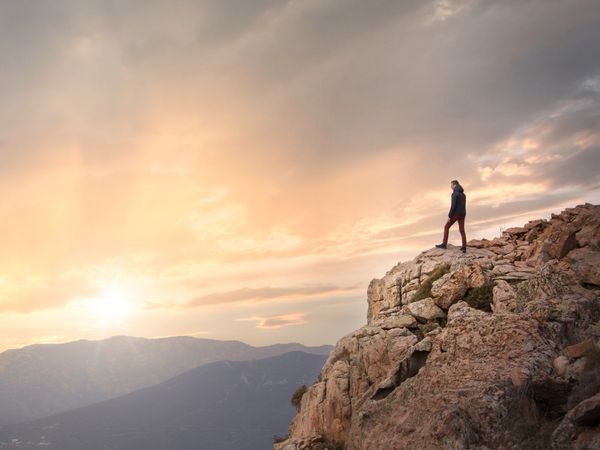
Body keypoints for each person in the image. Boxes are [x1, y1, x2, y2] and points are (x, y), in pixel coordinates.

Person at [435, 180, 467, 252]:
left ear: (454, 185)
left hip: (456, 214)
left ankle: (444, 244)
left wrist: (449, 216)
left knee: (446, 227)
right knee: (462, 230)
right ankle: (464, 247)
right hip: (463, 214)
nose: (450, 187)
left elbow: (453, 206)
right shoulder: (463, 194)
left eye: (451, 185)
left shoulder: (455, 194)